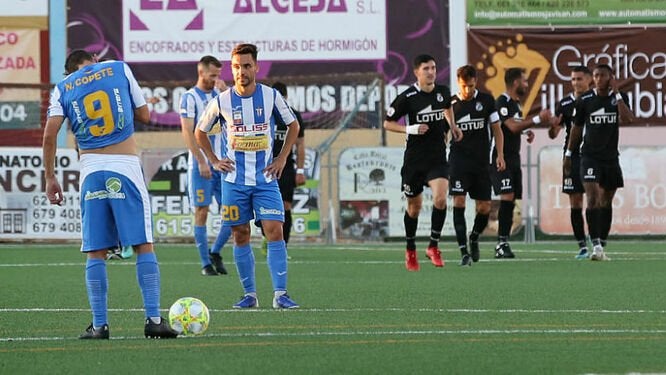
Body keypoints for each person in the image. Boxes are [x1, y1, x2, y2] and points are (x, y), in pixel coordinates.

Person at [43, 49, 177, 339]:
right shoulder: (117, 68)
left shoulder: (64, 87)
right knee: (143, 244)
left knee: (96, 250)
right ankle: (153, 320)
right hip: (124, 165)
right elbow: (144, 114)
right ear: (94, 59)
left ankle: (100, 325)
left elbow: (50, 133)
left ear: (69, 71)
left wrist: (51, 177)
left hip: (90, 171)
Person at [195, 43, 300, 309]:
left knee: (274, 231)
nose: (241, 71)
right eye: (236, 67)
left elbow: (293, 125)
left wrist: (282, 157)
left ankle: (280, 294)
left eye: (246, 66)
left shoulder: (271, 96)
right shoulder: (222, 100)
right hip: (233, 182)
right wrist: (215, 160)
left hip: (265, 180)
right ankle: (250, 295)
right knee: (240, 234)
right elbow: (200, 132)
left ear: (256, 67)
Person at [383, 54, 463, 271]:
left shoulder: (443, 92)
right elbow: (387, 123)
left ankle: (433, 246)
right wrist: (409, 129)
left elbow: (447, 108)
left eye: (434, 67)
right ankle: (410, 250)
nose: (431, 72)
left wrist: (453, 126)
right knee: (414, 208)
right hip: (414, 160)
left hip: (437, 157)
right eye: (426, 68)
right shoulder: (407, 97)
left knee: (440, 198)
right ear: (416, 72)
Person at [564, 64, 634, 261]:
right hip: (589, 156)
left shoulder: (619, 98)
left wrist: (617, 93)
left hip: (611, 158)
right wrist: (569, 154)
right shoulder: (585, 100)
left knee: (606, 201)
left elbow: (628, 119)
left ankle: (602, 243)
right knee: (593, 197)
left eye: (602, 75)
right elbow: (577, 128)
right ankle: (594, 244)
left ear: (611, 77)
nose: (598, 79)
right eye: (595, 75)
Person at [491, 67, 556, 259]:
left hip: (513, 158)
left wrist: (526, 131)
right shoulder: (502, 101)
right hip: (499, 157)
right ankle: (500, 243)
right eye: (525, 81)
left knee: (511, 199)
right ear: (516, 82)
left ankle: (503, 242)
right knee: (507, 195)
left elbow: (515, 126)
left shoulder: (515, 105)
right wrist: (537, 119)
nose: (527, 85)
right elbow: (510, 126)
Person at [180, 55, 232, 276]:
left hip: (223, 163)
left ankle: (215, 251)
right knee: (202, 211)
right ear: (201, 73)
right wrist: (202, 160)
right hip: (202, 165)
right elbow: (188, 132)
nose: (216, 79)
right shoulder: (190, 97)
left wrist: (226, 92)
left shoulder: (223, 95)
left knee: (232, 213)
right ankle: (205, 263)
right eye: (213, 75)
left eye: (219, 75)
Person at [449, 65, 505, 266]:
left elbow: (497, 130)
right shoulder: (451, 104)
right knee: (459, 203)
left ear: (476, 82)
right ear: (458, 83)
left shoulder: (487, 101)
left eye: (471, 86)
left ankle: (474, 237)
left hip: (481, 163)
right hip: (458, 162)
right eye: (464, 86)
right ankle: (463, 252)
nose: (468, 90)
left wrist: (500, 154)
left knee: (484, 208)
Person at [255, 81, 306, 256]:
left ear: (285, 97)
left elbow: (300, 145)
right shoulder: (264, 114)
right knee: (264, 209)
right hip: (265, 167)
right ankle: (266, 237)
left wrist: (300, 171)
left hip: (285, 167)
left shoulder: (293, 116)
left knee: (286, 207)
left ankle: (282, 248)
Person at [549, 65, 593, 259]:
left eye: (579, 79)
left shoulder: (596, 100)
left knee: (594, 198)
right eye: (573, 79)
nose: (576, 83)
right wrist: (552, 126)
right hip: (572, 156)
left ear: (590, 79)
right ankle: (582, 246)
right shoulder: (565, 103)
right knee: (575, 200)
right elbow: (554, 133)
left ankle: (596, 239)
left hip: (593, 154)